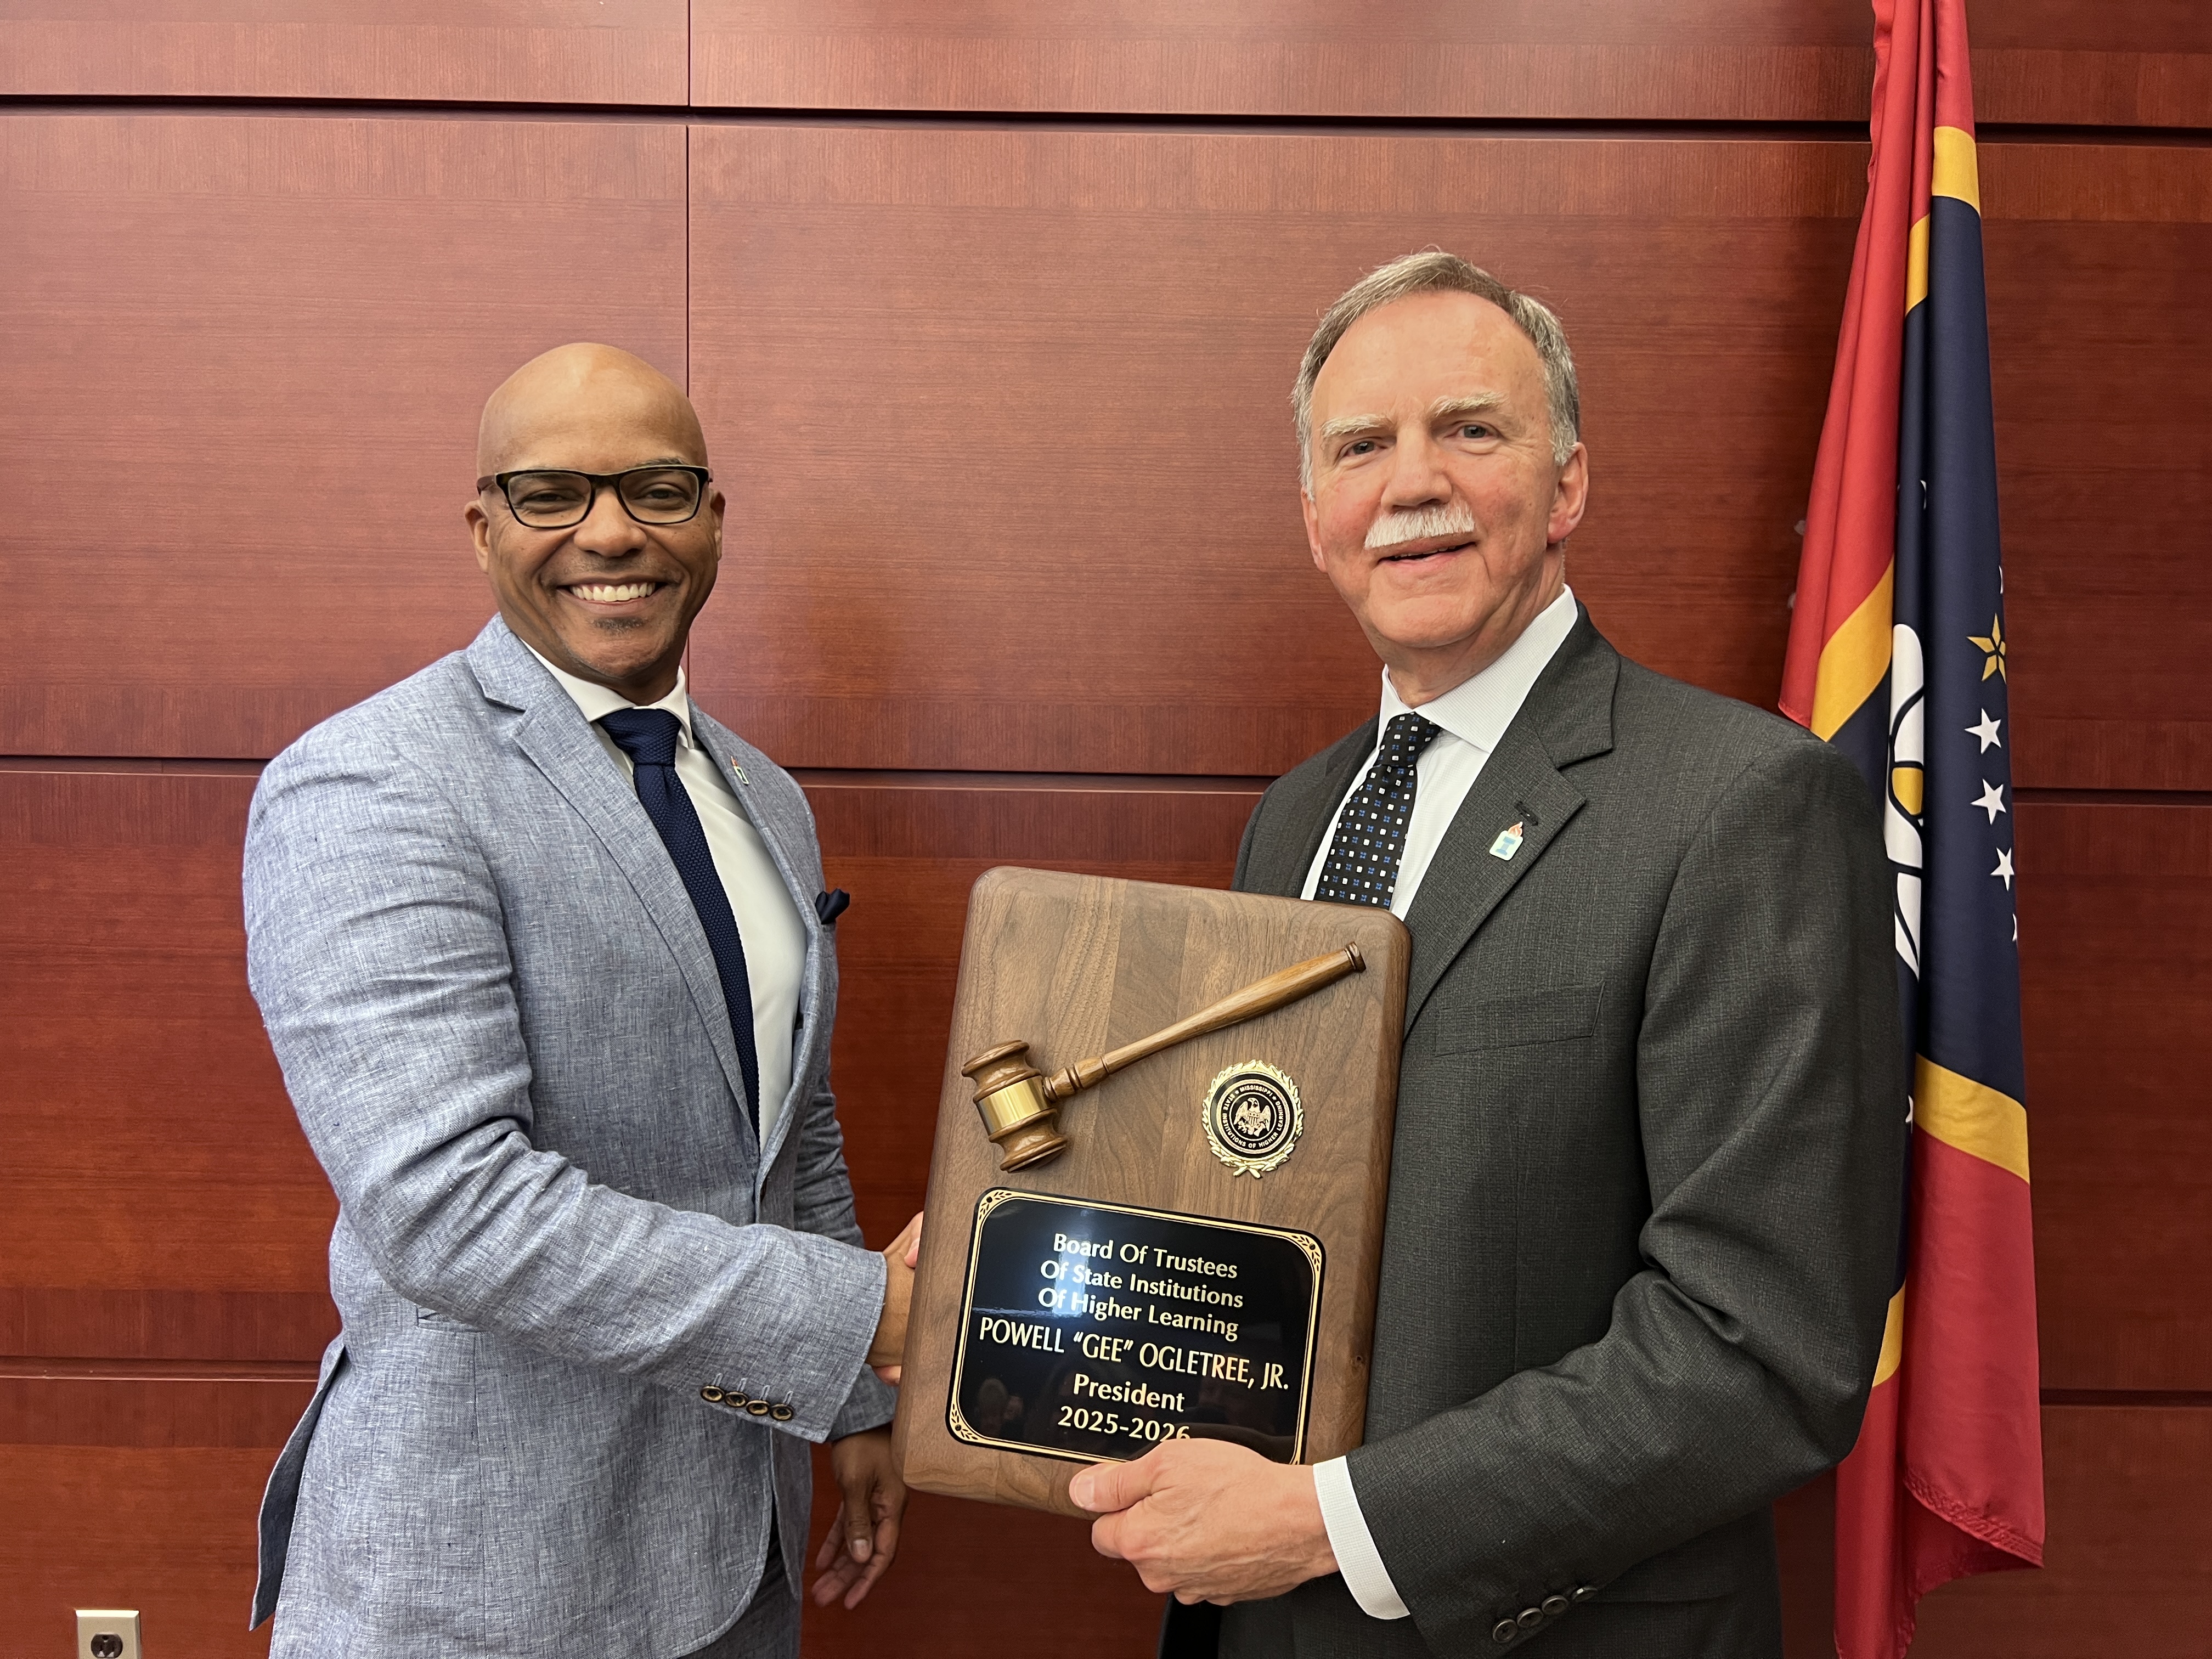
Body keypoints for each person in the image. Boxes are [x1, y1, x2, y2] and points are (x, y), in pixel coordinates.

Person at [1070, 253, 1905, 1656]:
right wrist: (1019, 1277)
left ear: (1568, 482)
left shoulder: (1739, 801)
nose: (1412, 484)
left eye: (1470, 430)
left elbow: (1763, 1347)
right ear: (1315, 517)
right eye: (1361, 447)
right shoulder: (1296, 819)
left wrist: (1336, 1524)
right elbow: (1262, 1194)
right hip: (1255, 1618)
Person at [242, 343, 917, 1657]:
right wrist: (855, 1319)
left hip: (741, 1553)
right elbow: (449, 1207)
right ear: (483, 523)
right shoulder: (372, 785)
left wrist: (854, 1405)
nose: (611, 531)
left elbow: (791, 1130)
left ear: (713, 521)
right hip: (483, 1581)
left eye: (659, 488)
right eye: (551, 491)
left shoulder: (766, 799)